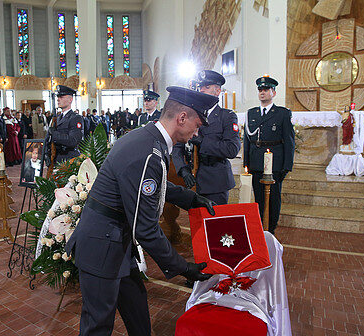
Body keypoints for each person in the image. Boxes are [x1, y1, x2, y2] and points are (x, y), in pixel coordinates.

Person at [66, 86, 219, 335]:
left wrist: (191, 199)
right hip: (101, 248)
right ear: (182, 118)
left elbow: (151, 185)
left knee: (138, 315)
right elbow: (146, 229)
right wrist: (183, 267)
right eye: (197, 125)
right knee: (98, 325)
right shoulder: (147, 151)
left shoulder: (148, 138)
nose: (196, 133)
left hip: (117, 243)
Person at [172, 70, 241, 205]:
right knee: (196, 223)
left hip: (215, 182)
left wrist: (203, 143)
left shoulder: (226, 116)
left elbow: (232, 149)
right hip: (191, 179)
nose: (201, 89)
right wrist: (183, 169)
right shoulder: (190, 115)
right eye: (200, 86)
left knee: (214, 224)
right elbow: (177, 146)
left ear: (218, 91)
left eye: (207, 87)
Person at [243, 76, 295, 234]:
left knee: (273, 199)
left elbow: (289, 141)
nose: (262, 92)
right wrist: (247, 163)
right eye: (260, 90)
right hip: (256, 162)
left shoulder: (282, 114)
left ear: (274, 92)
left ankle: (270, 228)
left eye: (266, 90)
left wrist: (286, 166)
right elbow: (247, 140)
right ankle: (259, 227)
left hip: (275, 163)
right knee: (258, 197)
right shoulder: (251, 113)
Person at [49, 85, 84, 164]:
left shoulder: (76, 118)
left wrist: (54, 134)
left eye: (61, 97)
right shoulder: (57, 118)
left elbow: (73, 141)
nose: (58, 99)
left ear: (70, 100)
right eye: (58, 97)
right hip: (57, 158)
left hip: (69, 160)